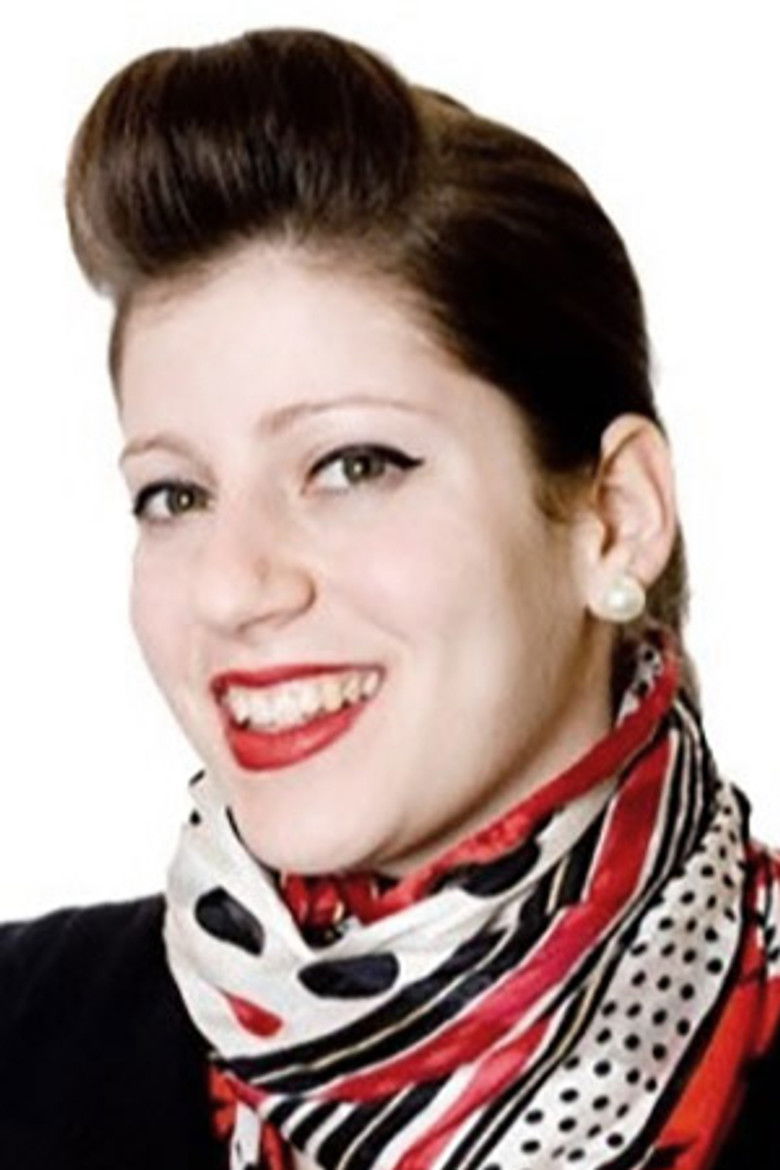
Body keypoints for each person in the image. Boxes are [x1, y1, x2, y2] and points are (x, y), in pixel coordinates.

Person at [1, 25, 777, 1170]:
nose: (231, 585)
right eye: (175, 494)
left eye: (353, 465)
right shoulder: (25, 1042)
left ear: (616, 515)